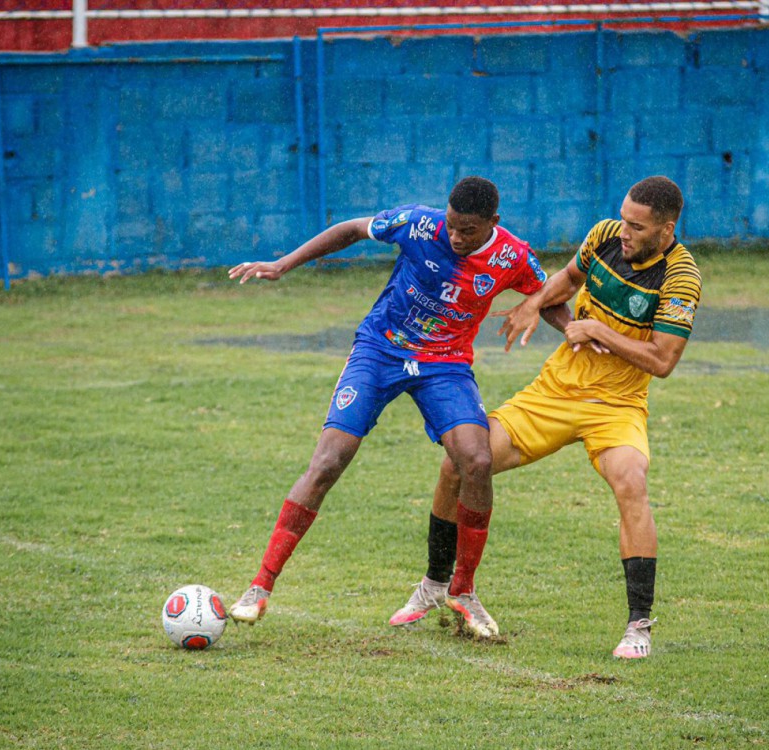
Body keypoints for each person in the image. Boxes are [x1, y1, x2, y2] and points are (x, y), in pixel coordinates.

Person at [226, 176, 566, 638]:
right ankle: (259, 587)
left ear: (493, 223)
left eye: (468, 230)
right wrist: (283, 264)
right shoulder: (420, 224)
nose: (456, 237)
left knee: (478, 459)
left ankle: (461, 589)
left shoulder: (512, 256)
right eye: (452, 225)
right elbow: (350, 229)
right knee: (329, 461)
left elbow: (548, 296)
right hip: (379, 351)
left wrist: (576, 331)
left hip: (445, 365)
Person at [388, 176, 701, 658]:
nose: (625, 232)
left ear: (666, 228)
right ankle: (435, 583)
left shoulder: (681, 278)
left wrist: (597, 328)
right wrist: (534, 302)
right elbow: (568, 280)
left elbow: (662, 361)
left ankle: (639, 625)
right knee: (462, 460)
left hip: (616, 407)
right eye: (624, 219)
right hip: (555, 393)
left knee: (631, 482)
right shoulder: (603, 236)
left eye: (637, 227)